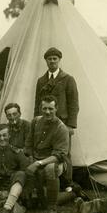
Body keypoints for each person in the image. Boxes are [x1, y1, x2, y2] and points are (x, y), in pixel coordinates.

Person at [34, 47, 79, 188]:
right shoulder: (41, 81)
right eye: (49, 59)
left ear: (59, 60)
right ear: (46, 61)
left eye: (55, 59)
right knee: (47, 151)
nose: (52, 61)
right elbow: (37, 104)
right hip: (46, 123)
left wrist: (71, 125)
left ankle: (68, 183)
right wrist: (37, 122)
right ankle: (49, 182)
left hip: (63, 123)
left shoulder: (67, 79)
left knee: (64, 153)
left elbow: (74, 103)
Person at [25, 95, 70, 213]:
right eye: (44, 108)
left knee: (49, 169)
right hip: (37, 158)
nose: (47, 112)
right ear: (40, 108)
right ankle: (32, 198)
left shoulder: (61, 128)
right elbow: (28, 144)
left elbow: (59, 155)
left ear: (56, 109)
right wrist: (30, 158)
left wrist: (39, 163)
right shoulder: (35, 121)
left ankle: (52, 209)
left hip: (54, 161)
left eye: (51, 108)